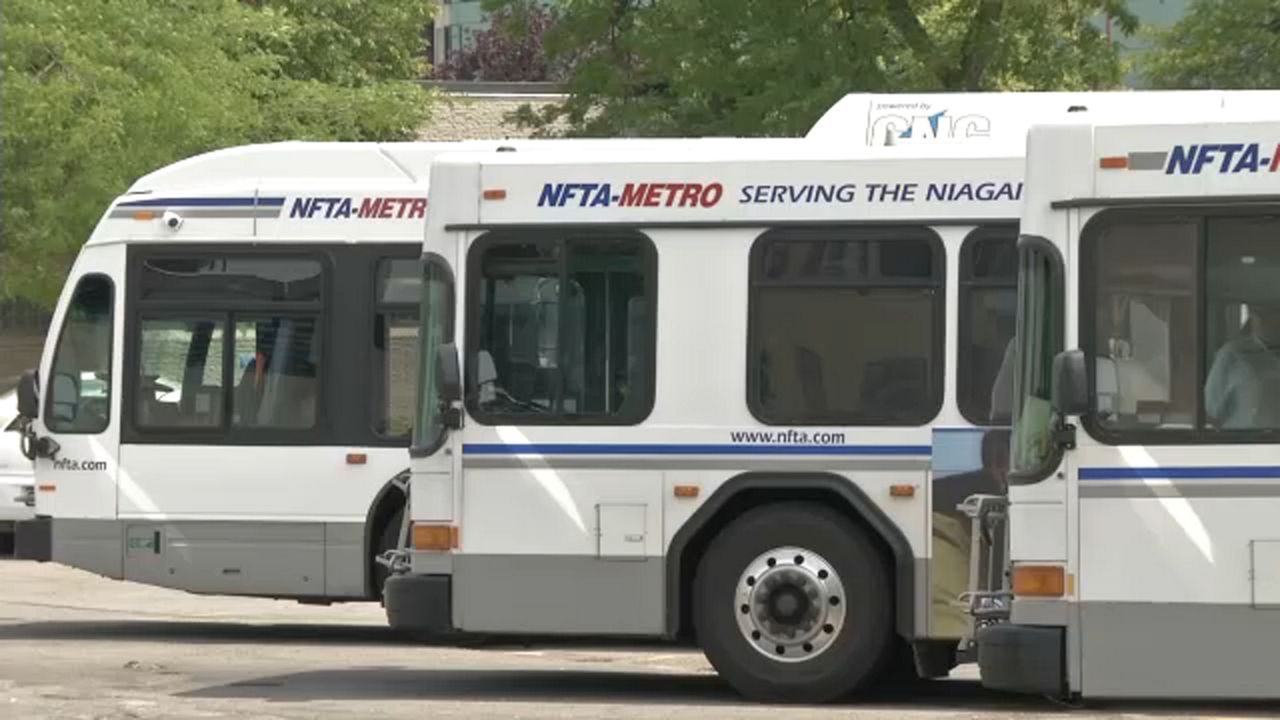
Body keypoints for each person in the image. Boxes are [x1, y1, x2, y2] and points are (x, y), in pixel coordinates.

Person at [1205, 303, 1280, 430]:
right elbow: (1211, 407)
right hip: (1242, 441)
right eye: (1259, 315)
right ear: (1253, 319)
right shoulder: (1232, 353)